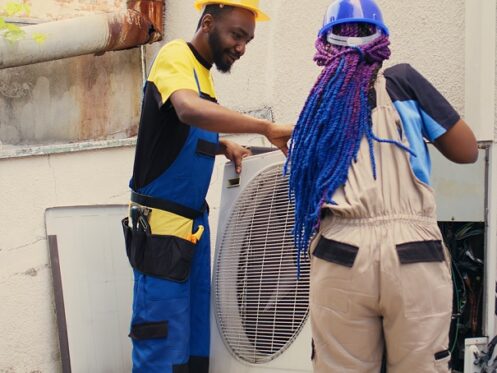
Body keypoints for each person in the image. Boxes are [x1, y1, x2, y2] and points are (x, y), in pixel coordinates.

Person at [285, 0, 478, 372]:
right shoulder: (403, 82)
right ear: (381, 42)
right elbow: (467, 151)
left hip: (340, 255)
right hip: (413, 255)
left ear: (324, 46)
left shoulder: (318, 107)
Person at [122, 1, 292, 372]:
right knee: (161, 340)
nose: (242, 47)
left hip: (193, 229)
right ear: (208, 22)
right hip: (163, 231)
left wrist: (221, 145)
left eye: (248, 39)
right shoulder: (175, 56)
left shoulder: (202, 74)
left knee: (196, 339)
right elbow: (186, 110)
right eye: (236, 34)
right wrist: (264, 127)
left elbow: (178, 134)